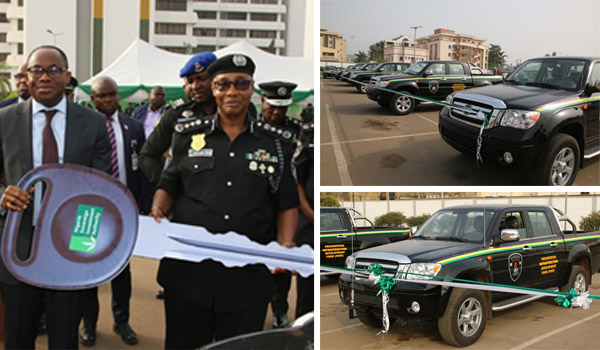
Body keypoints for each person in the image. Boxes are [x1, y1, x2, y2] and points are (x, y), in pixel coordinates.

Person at [149, 54, 299, 349]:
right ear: (214, 89)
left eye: (240, 84)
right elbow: (168, 184)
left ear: (252, 88)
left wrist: (284, 246)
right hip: (189, 274)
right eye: (223, 85)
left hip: (247, 278)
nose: (232, 92)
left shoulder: (276, 143)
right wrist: (158, 209)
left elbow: (286, 202)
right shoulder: (186, 135)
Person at [0, 45, 111, 349]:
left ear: (67, 76)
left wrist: (83, 249)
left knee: (64, 339)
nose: (44, 76)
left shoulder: (93, 123)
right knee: (18, 338)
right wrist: (2, 195)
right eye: (37, 70)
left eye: (53, 70)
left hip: (68, 252)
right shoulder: (4, 121)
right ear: (27, 75)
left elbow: (101, 189)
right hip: (18, 247)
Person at [78, 77, 150, 347]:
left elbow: (141, 168)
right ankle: (89, 324)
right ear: (93, 99)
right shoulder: (83, 127)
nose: (108, 100)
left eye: (112, 95)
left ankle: (122, 322)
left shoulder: (134, 127)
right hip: (88, 211)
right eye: (102, 96)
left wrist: (144, 206)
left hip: (124, 209)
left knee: (122, 270)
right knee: (87, 271)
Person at [256, 80, 301, 328]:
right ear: (262, 101)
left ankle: (280, 311)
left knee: (283, 263)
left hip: (289, 208)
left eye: (282, 108)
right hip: (261, 206)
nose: (276, 112)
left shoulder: (298, 130)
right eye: (272, 107)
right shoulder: (251, 130)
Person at [138, 51, 217, 186]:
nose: (196, 86)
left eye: (201, 78)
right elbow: (146, 156)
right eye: (190, 81)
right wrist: (167, 187)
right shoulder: (177, 112)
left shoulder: (235, 109)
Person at [294, 118, 314, 320]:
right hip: (308, 226)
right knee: (306, 293)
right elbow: (297, 180)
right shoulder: (308, 132)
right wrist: (310, 214)